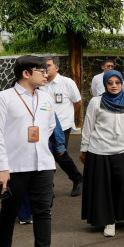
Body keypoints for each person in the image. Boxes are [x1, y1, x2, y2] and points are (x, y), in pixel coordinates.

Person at [0, 55, 69, 247]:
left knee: (44, 211)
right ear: (26, 73)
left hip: (42, 163)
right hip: (14, 166)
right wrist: (2, 167)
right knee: (9, 210)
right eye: (41, 70)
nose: (46, 74)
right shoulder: (2, 99)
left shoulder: (46, 99)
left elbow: (50, 126)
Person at [79, 70, 124, 237]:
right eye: (110, 83)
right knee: (104, 188)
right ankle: (109, 222)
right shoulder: (96, 102)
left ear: (122, 83)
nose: (114, 86)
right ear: (105, 84)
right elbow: (88, 126)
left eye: (117, 82)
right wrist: (84, 149)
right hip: (99, 149)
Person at [43, 56, 83, 198]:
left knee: (60, 155)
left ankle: (78, 179)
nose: (45, 68)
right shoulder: (40, 83)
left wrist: (69, 117)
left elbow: (77, 102)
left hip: (62, 126)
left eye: (48, 65)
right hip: (44, 126)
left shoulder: (66, 83)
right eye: (44, 65)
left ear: (57, 68)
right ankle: (48, 188)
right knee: (44, 156)